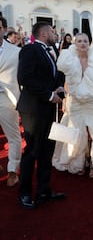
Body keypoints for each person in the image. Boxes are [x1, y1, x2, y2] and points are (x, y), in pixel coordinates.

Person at [16, 22, 65, 209]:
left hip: (47, 110)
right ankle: (25, 193)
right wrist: (49, 94)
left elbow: (45, 77)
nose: (55, 34)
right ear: (44, 33)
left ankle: (43, 190)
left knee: (47, 151)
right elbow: (25, 78)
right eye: (53, 31)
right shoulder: (30, 50)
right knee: (32, 151)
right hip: (33, 110)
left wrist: (56, 88)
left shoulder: (49, 50)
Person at [52, 33, 93, 178]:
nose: (82, 43)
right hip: (75, 100)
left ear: (89, 42)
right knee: (76, 130)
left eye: (85, 41)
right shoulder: (68, 59)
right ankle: (78, 162)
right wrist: (66, 99)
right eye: (79, 41)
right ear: (75, 43)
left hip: (91, 100)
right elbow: (66, 80)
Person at [0, 15, 22, 187]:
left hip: (7, 98)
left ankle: (13, 170)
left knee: (13, 136)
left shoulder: (16, 52)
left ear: (4, 30)